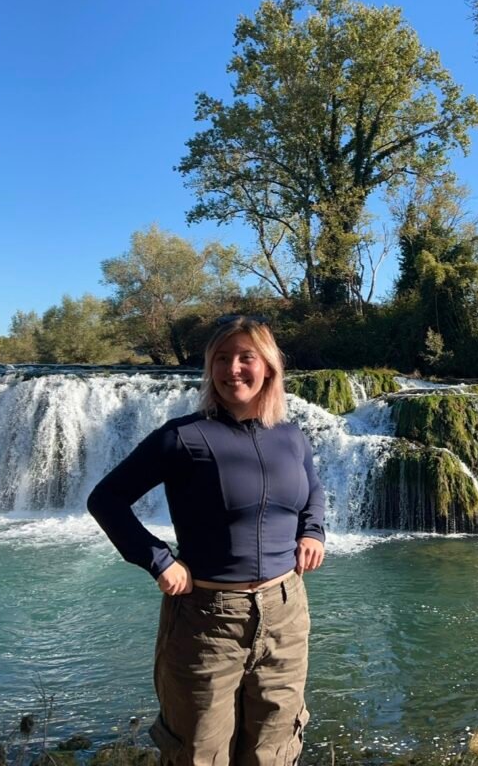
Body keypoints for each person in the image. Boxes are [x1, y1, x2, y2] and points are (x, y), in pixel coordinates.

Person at [87, 315, 326, 766]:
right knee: (198, 752)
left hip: (286, 612)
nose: (232, 368)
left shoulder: (291, 436)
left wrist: (312, 529)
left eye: (245, 357)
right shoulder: (182, 437)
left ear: (269, 367)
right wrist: (158, 559)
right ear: (209, 368)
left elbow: (312, 488)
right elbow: (107, 499)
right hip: (207, 619)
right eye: (221, 358)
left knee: (273, 750)